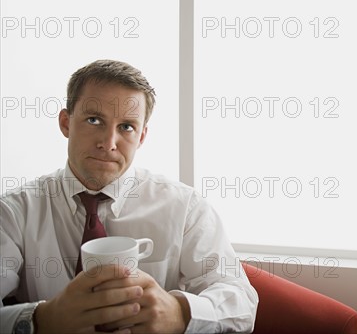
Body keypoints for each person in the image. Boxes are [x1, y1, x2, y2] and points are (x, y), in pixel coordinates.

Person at [0, 60, 258, 333]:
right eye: (94, 120)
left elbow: (241, 303)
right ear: (66, 123)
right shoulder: (14, 213)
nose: (108, 143)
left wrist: (181, 313)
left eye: (126, 127)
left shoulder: (185, 208)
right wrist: (41, 319)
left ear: (142, 136)